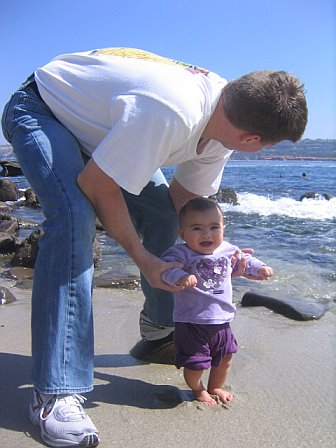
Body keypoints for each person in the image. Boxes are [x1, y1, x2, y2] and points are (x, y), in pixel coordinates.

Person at [1, 47, 307, 447]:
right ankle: (55, 393)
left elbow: (185, 204)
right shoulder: (170, 112)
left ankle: (160, 329)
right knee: (74, 222)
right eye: (267, 146)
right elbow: (97, 184)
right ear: (252, 138)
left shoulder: (221, 124)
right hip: (42, 108)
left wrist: (219, 248)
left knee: (164, 216)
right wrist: (144, 260)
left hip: (103, 130)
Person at [161, 198, 273, 405]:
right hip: (191, 321)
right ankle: (197, 388)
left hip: (222, 320)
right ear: (182, 233)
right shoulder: (181, 253)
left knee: (226, 357)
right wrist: (179, 276)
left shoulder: (228, 250)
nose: (207, 234)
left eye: (214, 227)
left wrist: (260, 268)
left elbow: (246, 262)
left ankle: (215, 386)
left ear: (223, 228)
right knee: (196, 363)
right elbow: (165, 270)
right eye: (197, 228)